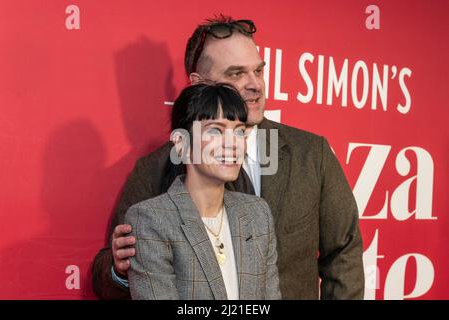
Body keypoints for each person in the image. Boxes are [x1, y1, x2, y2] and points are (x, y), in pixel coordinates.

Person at [92, 15, 365, 300]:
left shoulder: (311, 153)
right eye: (236, 74)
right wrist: (119, 268)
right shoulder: (155, 169)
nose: (255, 85)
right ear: (199, 84)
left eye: (258, 71)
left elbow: (343, 253)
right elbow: (104, 277)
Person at [125, 82, 280, 299]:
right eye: (216, 130)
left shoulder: (258, 214)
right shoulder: (151, 220)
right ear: (181, 144)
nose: (232, 144)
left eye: (240, 132)